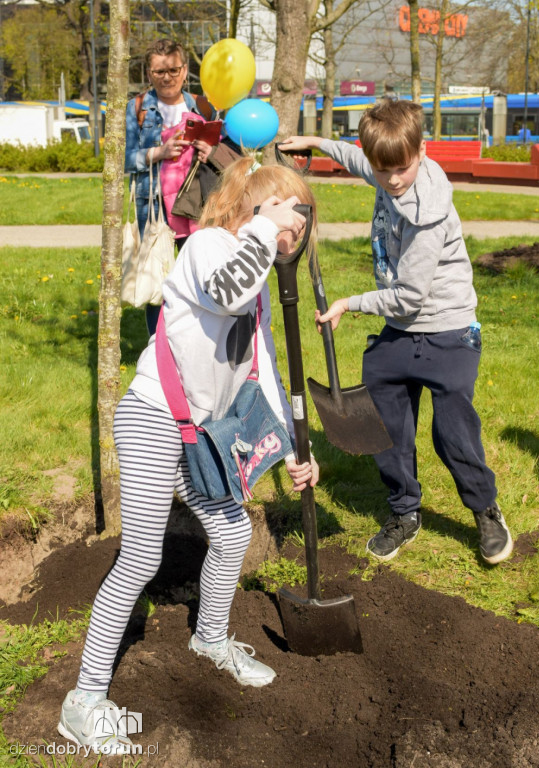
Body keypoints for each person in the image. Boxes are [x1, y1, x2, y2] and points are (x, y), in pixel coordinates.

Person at [57, 157, 320, 754]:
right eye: (286, 212)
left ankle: (209, 638)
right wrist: (260, 229)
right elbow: (227, 293)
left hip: (197, 435)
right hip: (153, 417)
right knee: (142, 555)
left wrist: (296, 452)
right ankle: (84, 700)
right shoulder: (206, 250)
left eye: (303, 220)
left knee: (230, 536)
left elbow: (267, 376)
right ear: (250, 207)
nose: (295, 228)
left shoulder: (260, 294)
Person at [279, 99, 513, 567]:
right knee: (385, 427)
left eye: (400, 169)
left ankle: (486, 510)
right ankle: (405, 511)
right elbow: (356, 157)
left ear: (421, 152)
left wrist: (350, 303)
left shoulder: (427, 211)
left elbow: (408, 296)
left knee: (452, 435)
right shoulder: (385, 166)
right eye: (381, 170)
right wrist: (316, 143)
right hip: (401, 333)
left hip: (447, 331)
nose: (391, 180)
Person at [125, 38, 216, 336]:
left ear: (185, 69)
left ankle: (193, 340)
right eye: (159, 72)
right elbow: (123, 159)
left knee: (197, 277)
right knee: (158, 280)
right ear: (149, 73)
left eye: (173, 70)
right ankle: (157, 347)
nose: (167, 78)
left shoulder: (202, 106)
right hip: (154, 209)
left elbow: (221, 154)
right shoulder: (137, 108)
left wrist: (208, 151)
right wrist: (158, 153)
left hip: (196, 208)